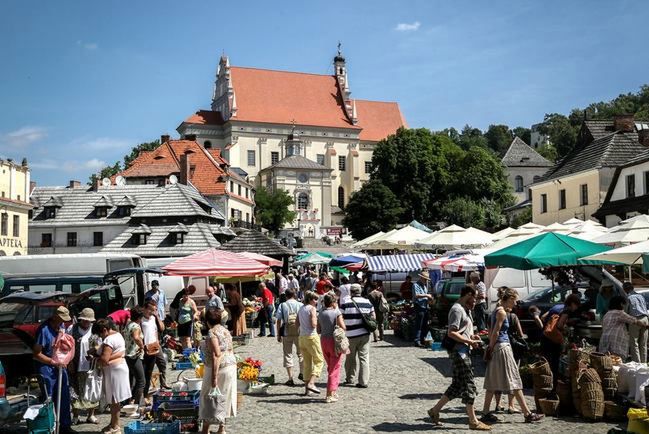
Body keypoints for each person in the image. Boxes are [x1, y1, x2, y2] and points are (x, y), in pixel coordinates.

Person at [427, 286, 490, 431]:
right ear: (468, 295)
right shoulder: (457, 310)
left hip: (463, 350)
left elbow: (463, 330)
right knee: (469, 385)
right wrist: (469, 342)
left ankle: (434, 411)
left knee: (456, 385)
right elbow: (451, 333)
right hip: (459, 352)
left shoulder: (466, 309)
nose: (476, 301)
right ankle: (473, 421)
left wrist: (472, 337)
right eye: (475, 298)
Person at [481, 287, 543, 424]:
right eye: (514, 301)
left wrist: (490, 348)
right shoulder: (501, 312)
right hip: (502, 347)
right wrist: (490, 348)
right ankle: (527, 413)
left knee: (492, 380)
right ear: (509, 299)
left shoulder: (496, 311)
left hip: (497, 347)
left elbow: (491, 331)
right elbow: (496, 332)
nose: (515, 304)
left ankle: (485, 412)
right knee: (514, 379)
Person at [32, 306, 75, 434]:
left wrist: (67, 360)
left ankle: (65, 427)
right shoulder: (44, 330)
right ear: (55, 316)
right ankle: (50, 427)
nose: (63, 321)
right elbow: (36, 354)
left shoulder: (62, 326)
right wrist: (53, 362)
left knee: (64, 396)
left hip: (60, 366)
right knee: (49, 398)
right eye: (61, 318)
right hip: (46, 367)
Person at [200, 308, 237, 434]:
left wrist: (214, 377)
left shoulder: (212, 332)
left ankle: (206, 428)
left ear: (207, 321)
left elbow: (216, 354)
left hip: (218, 367)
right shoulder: (225, 330)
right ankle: (222, 428)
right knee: (224, 397)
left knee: (209, 397)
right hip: (230, 365)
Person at [534, 293, 581, 381]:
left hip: (545, 336)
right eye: (577, 305)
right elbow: (559, 325)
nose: (576, 308)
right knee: (554, 364)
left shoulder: (557, 306)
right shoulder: (567, 310)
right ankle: (553, 388)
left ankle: (543, 384)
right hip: (553, 340)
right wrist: (566, 329)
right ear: (573, 303)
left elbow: (543, 317)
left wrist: (550, 325)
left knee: (545, 362)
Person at [96, 318, 131, 434]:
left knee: (114, 399)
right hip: (119, 367)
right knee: (115, 399)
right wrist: (118, 355)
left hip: (114, 370)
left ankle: (116, 426)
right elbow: (121, 352)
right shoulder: (118, 335)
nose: (100, 337)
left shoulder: (108, 340)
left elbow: (104, 360)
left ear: (105, 330)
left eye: (100, 334)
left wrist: (96, 358)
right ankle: (113, 423)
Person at [68, 308, 100, 425]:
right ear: (80, 319)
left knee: (92, 390)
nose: (86, 323)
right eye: (84, 320)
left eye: (89, 321)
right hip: (75, 365)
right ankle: (76, 416)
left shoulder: (95, 330)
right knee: (75, 391)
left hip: (91, 366)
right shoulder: (72, 329)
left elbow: (100, 346)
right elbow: (67, 347)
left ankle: (91, 415)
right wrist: (69, 362)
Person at [340, 283, 374, 388]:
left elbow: (340, 318)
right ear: (360, 291)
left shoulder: (346, 303)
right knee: (364, 358)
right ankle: (363, 381)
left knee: (350, 358)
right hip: (364, 334)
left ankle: (350, 378)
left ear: (351, 292)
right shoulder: (367, 302)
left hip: (350, 335)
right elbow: (373, 317)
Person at [318, 292, 346, 403]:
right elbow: (343, 327)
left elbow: (318, 330)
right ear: (334, 302)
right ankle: (329, 394)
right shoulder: (336, 312)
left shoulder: (320, 312)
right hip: (334, 342)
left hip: (323, 341)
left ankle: (333, 390)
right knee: (334, 368)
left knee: (331, 366)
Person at [297, 291, 324, 395]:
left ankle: (307, 390)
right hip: (311, 337)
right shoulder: (312, 309)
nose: (316, 301)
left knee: (307, 363)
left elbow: (296, 323)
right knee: (319, 360)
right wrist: (316, 320)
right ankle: (312, 383)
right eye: (315, 299)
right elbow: (313, 324)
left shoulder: (301, 308)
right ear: (310, 299)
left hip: (302, 338)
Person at [275, 289, 304, 385]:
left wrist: (278, 334)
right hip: (299, 332)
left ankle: (290, 378)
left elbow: (278, 320)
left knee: (288, 354)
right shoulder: (300, 305)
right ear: (294, 295)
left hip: (287, 332)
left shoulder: (282, 305)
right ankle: (302, 372)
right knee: (301, 354)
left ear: (286, 296)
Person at [142, 300, 168, 396]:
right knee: (148, 370)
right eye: (150, 310)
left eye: (154, 310)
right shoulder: (141, 320)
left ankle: (163, 383)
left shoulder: (153, 318)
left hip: (155, 345)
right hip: (146, 346)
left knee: (162, 363)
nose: (152, 312)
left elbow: (160, 329)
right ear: (145, 309)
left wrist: (157, 316)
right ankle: (145, 390)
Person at [124, 306, 145, 406]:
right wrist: (142, 346)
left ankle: (129, 400)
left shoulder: (128, 324)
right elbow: (136, 337)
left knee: (131, 380)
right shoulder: (136, 326)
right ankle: (137, 404)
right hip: (134, 355)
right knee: (141, 381)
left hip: (127, 355)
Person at [624, 281, 649, 363]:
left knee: (634, 343)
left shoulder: (628, 298)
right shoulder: (641, 296)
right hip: (645, 319)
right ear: (633, 288)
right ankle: (644, 364)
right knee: (643, 344)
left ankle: (637, 364)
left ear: (625, 289)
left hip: (635, 320)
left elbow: (626, 311)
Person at [412, 270, 434, 347]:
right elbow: (416, 295)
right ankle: (417, 340)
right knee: (419, 324)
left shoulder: (424, 286)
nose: (426, 281)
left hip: (425, 307)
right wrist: (427, 296)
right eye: (425, 279)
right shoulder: (416, 285)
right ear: (421, 278)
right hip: (419, 306)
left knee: (425, 325)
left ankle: (422, 339)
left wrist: (429, 300)